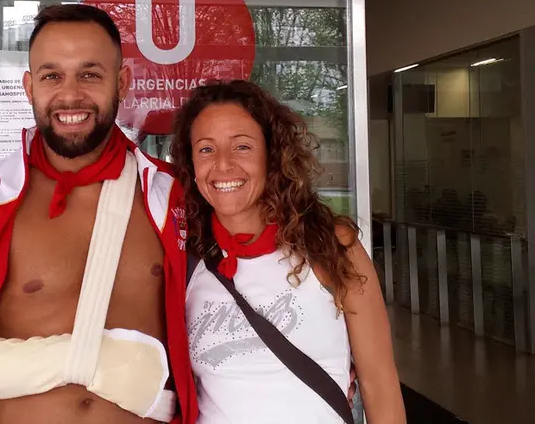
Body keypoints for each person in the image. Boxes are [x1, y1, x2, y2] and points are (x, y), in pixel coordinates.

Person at [0, 4, 197, 424]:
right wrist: (87, 360)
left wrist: (325, 234)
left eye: (90, 74)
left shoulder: (173, 199)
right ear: (29, 87)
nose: (70, 94)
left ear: (122, 83)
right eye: (51, 76)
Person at [170, 80, 406, 423]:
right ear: (190, 163)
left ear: (272, 155)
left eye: (242, 147)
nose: (222, 165)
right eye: (206, 149)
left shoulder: (329, 245)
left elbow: (379, 382)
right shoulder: (186, 257)